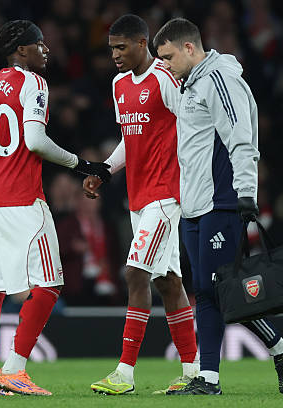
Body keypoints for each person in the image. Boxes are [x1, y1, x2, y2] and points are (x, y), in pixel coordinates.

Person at [0, 19, 111, 397]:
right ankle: (15, 369)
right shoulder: (33, 82)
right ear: (22, 50)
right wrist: (80, 164)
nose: (46, 49)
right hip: (23, 200)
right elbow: (35, 140)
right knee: (50, 284)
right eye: (40, 44)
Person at [153, 18, 283, 395]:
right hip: (194, 206)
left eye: (168, 57)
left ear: (189, 48)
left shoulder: (220, 80)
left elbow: (241, 139)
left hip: (222, 201)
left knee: (213, 288)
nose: (165, 65)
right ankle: (268, 352)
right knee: (210, 290)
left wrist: (247, 194)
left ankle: (215, 375)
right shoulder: (190, 84)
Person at [84, 14, 198, 395]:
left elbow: (192, 123)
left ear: (141, 43)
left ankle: (124, 373)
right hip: (138, 196)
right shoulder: (119, 85)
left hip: (165, 195)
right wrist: (105, 170)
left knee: (135, 274)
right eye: (111, 49)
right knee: (168, 281)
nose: (115, 55)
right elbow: (129, 139)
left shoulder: (164, 78)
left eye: (121, 47)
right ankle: (193, 371)